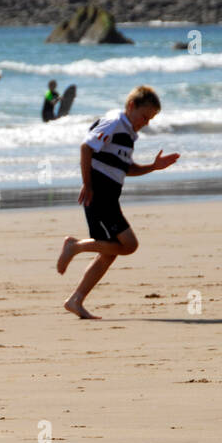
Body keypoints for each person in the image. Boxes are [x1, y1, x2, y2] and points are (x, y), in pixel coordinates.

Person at [56, 85, 180, 319]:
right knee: (129, 245)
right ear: (131, 106)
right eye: (145, 116)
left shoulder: (129, 134)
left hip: (109, 196)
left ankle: (76, 300)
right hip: (99, 194)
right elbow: (86, 147)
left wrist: (153, 167)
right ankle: (74, 246)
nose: (146, 123)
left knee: (111, 251)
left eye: (150, 119)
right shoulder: (114, 123)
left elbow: (126, 168)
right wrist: (89, 184)